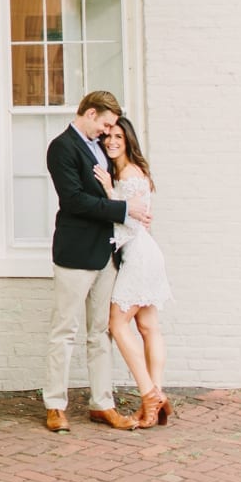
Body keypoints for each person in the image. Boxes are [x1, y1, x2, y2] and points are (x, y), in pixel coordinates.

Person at [43, 90, 152, 433]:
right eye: (104, 124)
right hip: (75, 254)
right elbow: (73, 200)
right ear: (90, 113)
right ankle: (55, 405)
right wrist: (124, 209)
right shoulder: (61, 147)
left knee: (100, 333)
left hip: (106, 253)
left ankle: (102, 403)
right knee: (64, 331)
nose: (107, 132)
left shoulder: (99, 148)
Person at [94, 116, 173, 428]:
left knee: (117, 323)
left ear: (128, 141)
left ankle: (149, 393)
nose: (112, 142)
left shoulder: (127, 174)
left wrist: (107, 191)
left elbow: (130, 218)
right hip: (147, 251)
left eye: (118, 137)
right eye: (107, 137)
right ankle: (158, 395)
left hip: (139, 255)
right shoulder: (133, 171)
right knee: (149, 326)